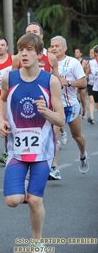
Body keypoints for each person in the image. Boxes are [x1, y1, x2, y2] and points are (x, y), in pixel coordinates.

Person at [0, 33, 65, 249]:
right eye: (21, 50)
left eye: (29, 50)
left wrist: (46, 112)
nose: (24, 54)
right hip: (16, 150)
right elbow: (1, 100)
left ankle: (37, 243)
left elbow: (61, 119)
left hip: (42, 151)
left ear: (38, 54)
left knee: (35, 201)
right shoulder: (10, 78)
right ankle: (24, 183)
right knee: (12, 201)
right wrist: (1, 120)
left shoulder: (50, 81)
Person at [50, 35, 89, 176]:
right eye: (52, 46)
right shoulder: (47, 63)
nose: (54, 48)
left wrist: (68, 83)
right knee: (53, 136)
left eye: (57, 46)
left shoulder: (72, 63)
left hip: (70, 105)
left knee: (77, 137)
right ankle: (54, 168)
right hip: (54, 107)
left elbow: (84, 82)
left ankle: (83, 154)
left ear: (65, 48)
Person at [74, 47, 88, 119]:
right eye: (75, 52)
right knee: (75, 95)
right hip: (76, 82)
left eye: (77, 52)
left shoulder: (84, 61)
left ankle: (84, 111)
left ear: (81, 53)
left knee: (82, 98)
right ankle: (76, 111)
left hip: (82, 81)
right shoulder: (73, 61)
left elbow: (87, 71)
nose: (76, 53)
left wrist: (85, 78)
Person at [85, 45, 98, 124]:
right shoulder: (91, 63)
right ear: (96, 53)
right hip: (93, 85)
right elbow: (86, 74)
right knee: (92, 100)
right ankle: (91, 116)